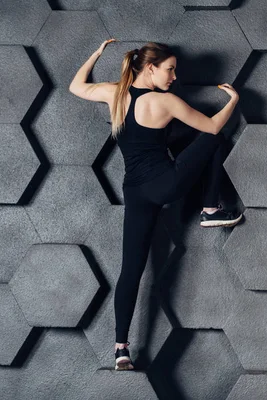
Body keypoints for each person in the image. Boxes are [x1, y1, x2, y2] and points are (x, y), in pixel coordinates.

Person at [69, 39, 242, 370]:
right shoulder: (166, 102)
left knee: (131, 270)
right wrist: (233, 99)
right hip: (166, 184)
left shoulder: (114, 93)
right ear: (150, 68)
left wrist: (97, 52)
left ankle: (121, 348)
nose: (174, 77)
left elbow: (77, 86)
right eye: (170, 69)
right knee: (213, 139)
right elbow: (214, 125)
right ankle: (209, 209)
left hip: (134, 193)